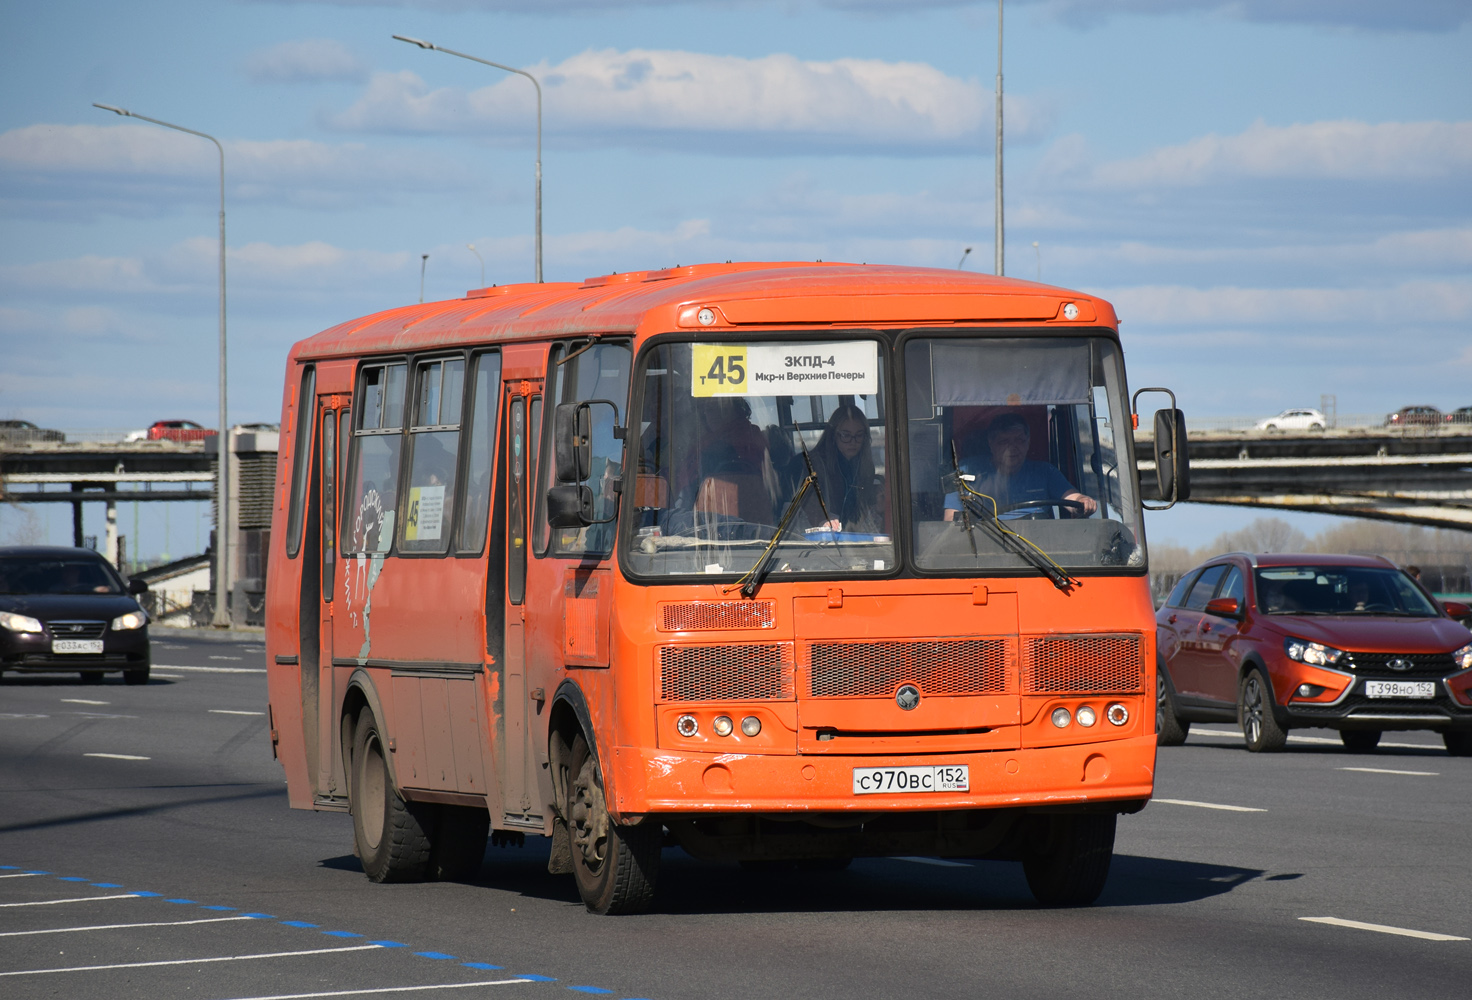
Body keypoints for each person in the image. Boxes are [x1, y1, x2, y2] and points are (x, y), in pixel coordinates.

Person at [943, 412, 1097, 520]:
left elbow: (1073, 500)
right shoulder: (966, 471)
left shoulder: (1045, 472)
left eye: (1019, 440)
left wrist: (1084, 502)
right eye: (1004, 442)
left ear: (1028, 442)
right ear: (991, 444)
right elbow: (951, 519)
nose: (1013, 448)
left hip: (1040, 550)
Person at [789, 403, 883, 533]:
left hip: (853, 536)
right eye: (846, 435)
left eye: (859, 435)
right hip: (821, 538)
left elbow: (863, 507)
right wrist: (823, 519)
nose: (853, 442)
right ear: (833, 435)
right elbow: (808, 500)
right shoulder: (811, 464)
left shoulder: (865, 467)